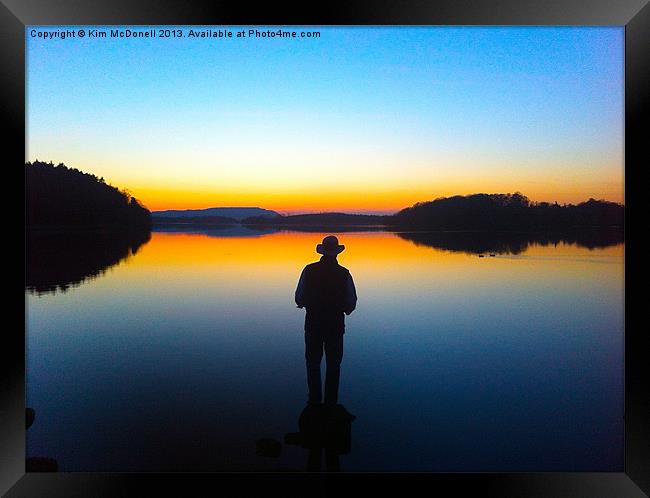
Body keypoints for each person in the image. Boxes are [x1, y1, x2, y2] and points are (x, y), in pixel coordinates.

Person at [295, 235, 357, 406]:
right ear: (337, 253)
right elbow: (351, 302)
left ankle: (314, 400)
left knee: (313, 363)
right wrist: (344, 309)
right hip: (335, 325)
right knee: (334, 364)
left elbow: (299, 298)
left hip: (313, 324)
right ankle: (331, 403)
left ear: (322, 251)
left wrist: (306, 304)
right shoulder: (344, 273)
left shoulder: (309, 270)